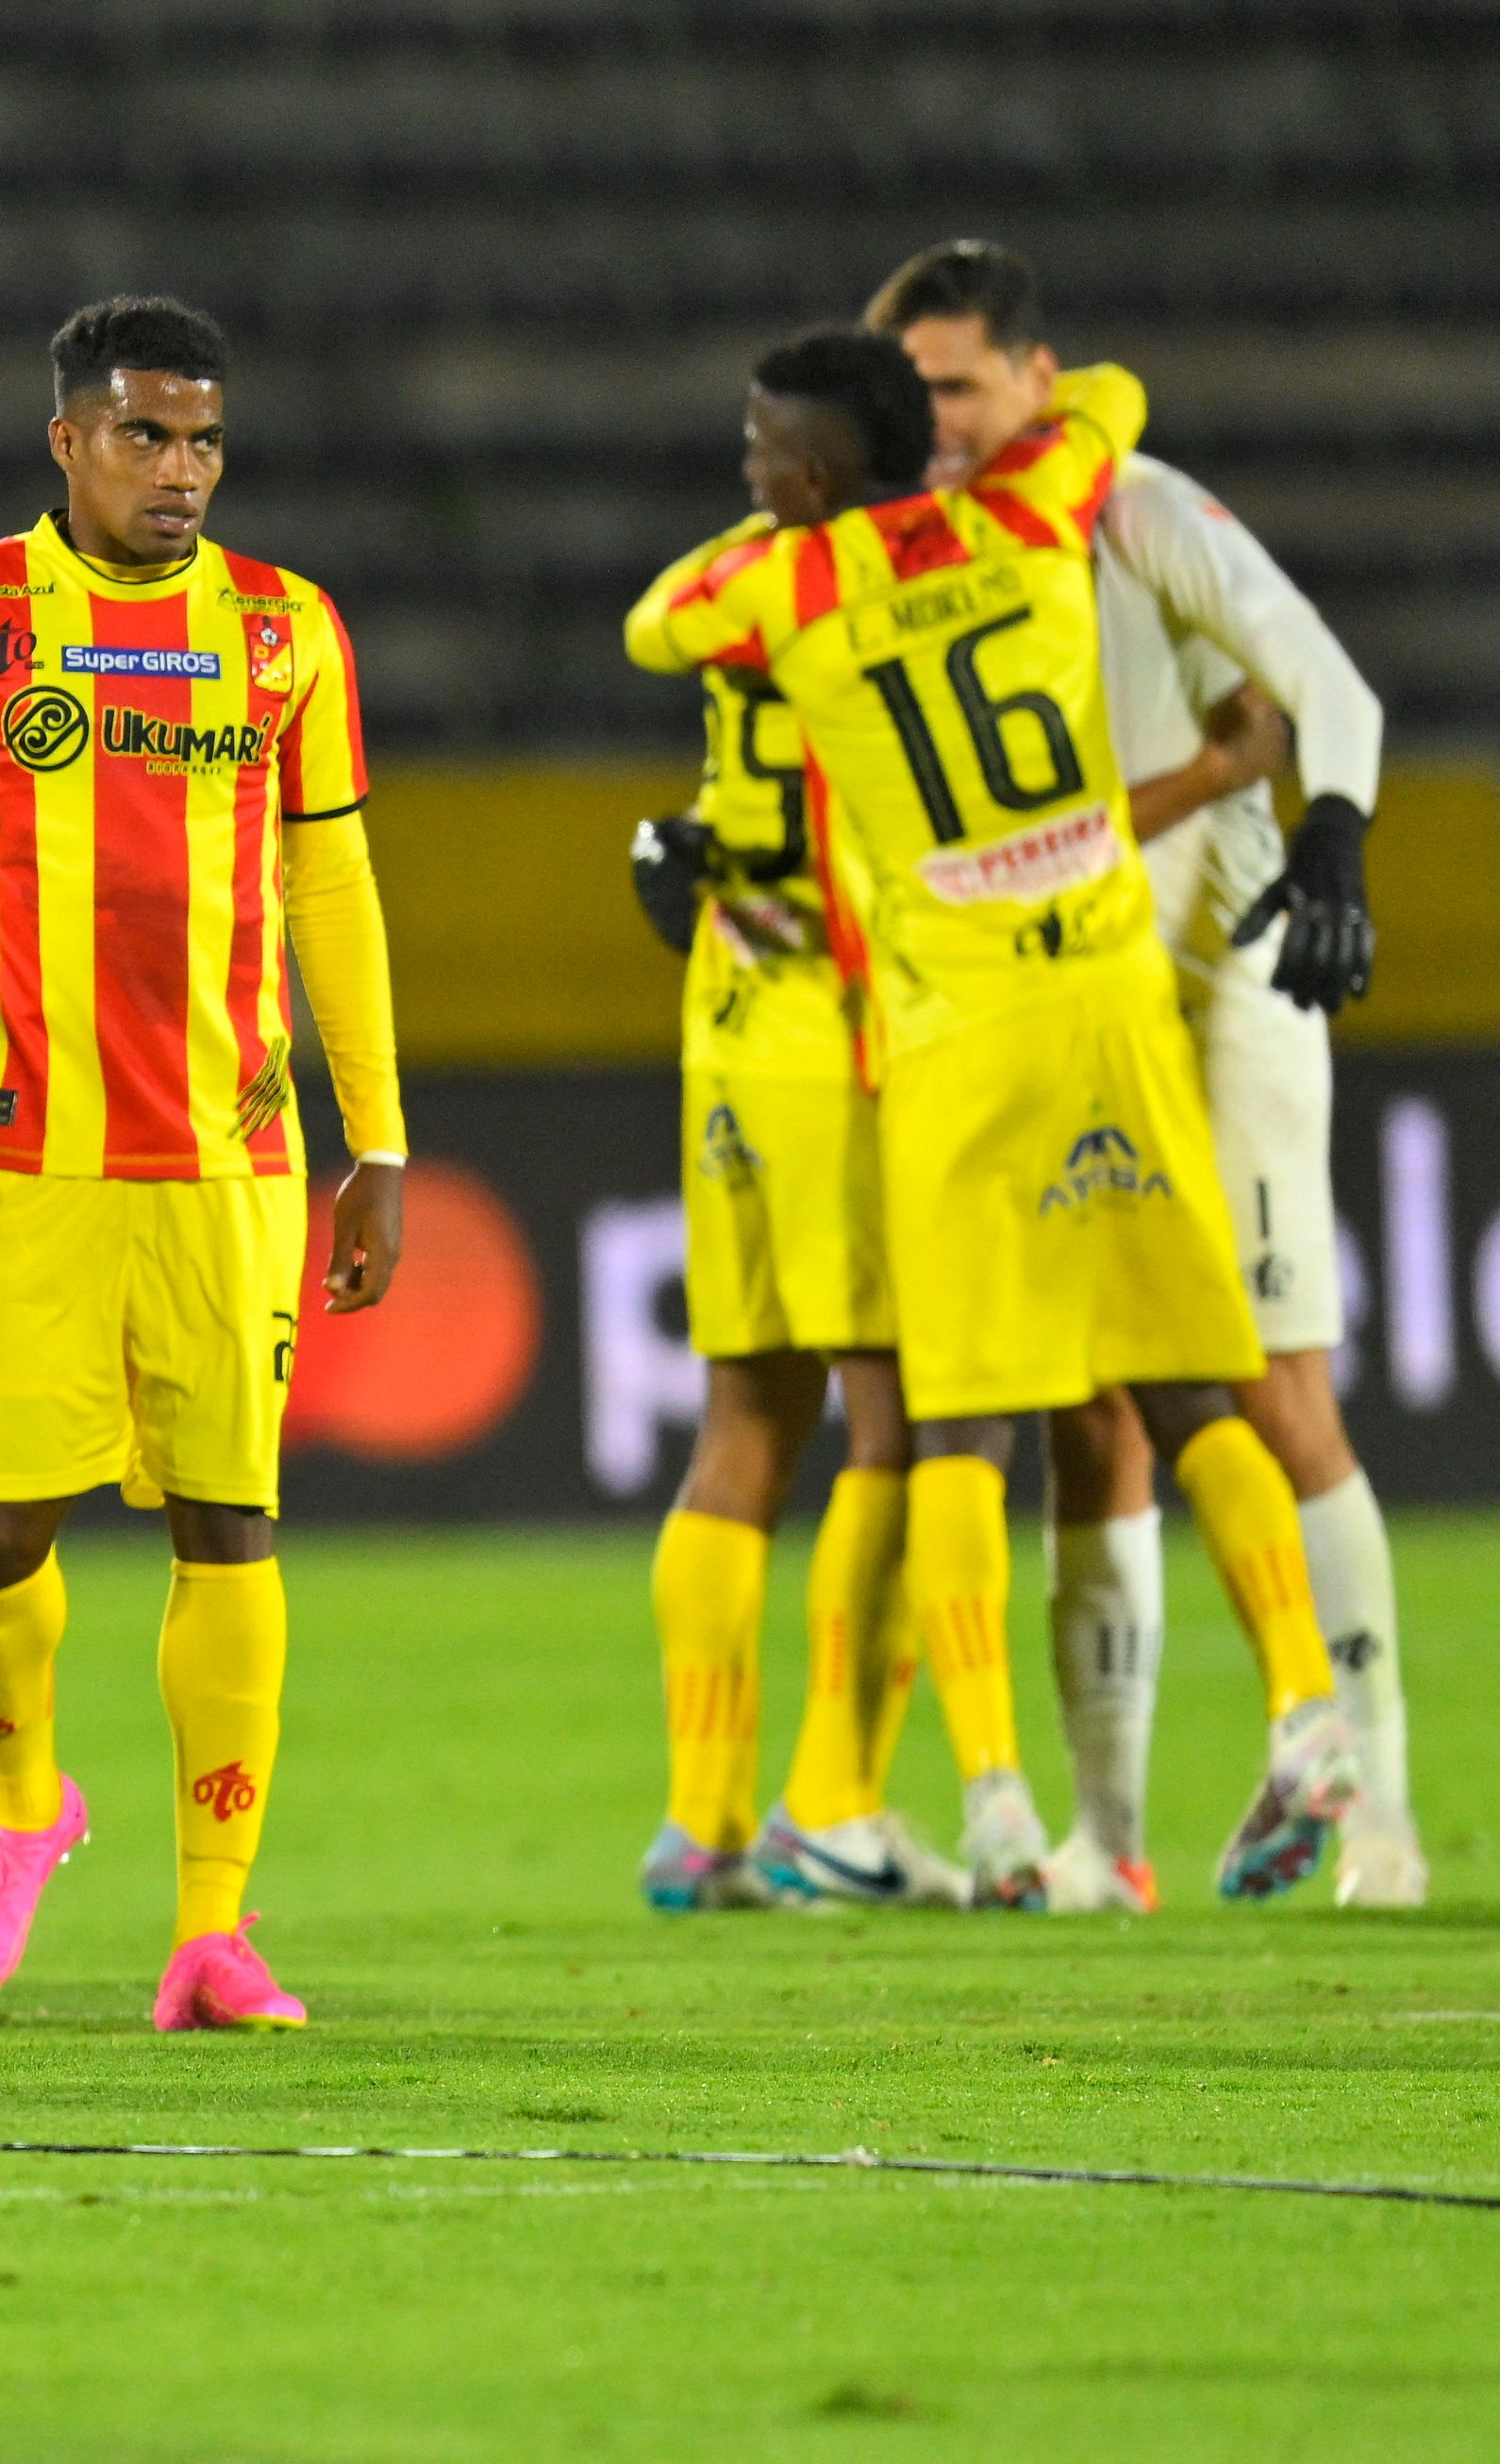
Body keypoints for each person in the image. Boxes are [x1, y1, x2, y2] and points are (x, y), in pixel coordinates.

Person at [626, 330, 1358, 1908]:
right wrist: (1004, 435)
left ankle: (970, 1801)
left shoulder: (780, 588)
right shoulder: (1028, 513)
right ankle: (1305, 1708)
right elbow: (1112, 398)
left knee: (921, 1419)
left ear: (810, 479)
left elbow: (651, 621)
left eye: (765, 457)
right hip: (1099, 983)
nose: (747, 474)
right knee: (1187, 1385)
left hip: (923, 1023)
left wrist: (791, 533)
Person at [0, 295, 407, 2032]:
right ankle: (22, 1803)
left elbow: (331, 891)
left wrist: (374, 1135)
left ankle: (211, 1931)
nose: (180, 472)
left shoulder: (284, 629)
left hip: (233, 1159)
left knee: (227, 1523)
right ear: (66, 442)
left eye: (204, 439)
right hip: (27, 1151)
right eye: (144, 435)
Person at [869, 240, 1420, 1913]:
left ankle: (1377, 1807)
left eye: (959, 384)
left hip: (1216, 983)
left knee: (1271, 1383)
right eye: (914, 393)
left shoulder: (1130, 500)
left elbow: (1320, 673)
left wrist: (1329, 832)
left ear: (1037, 378)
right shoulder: (911, 548)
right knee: (1083, 1410)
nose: (937, 419)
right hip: (1054, 1007)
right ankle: (1105, 1834)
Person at [620, 543, 946, 1913]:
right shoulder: (879, 603)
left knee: (746, 1416)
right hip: (840, 1040)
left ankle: (700, 1830)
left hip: (727, 1029)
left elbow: (652, 625)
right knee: (910, 1423)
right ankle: (830, 1809)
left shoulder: (730, 602)